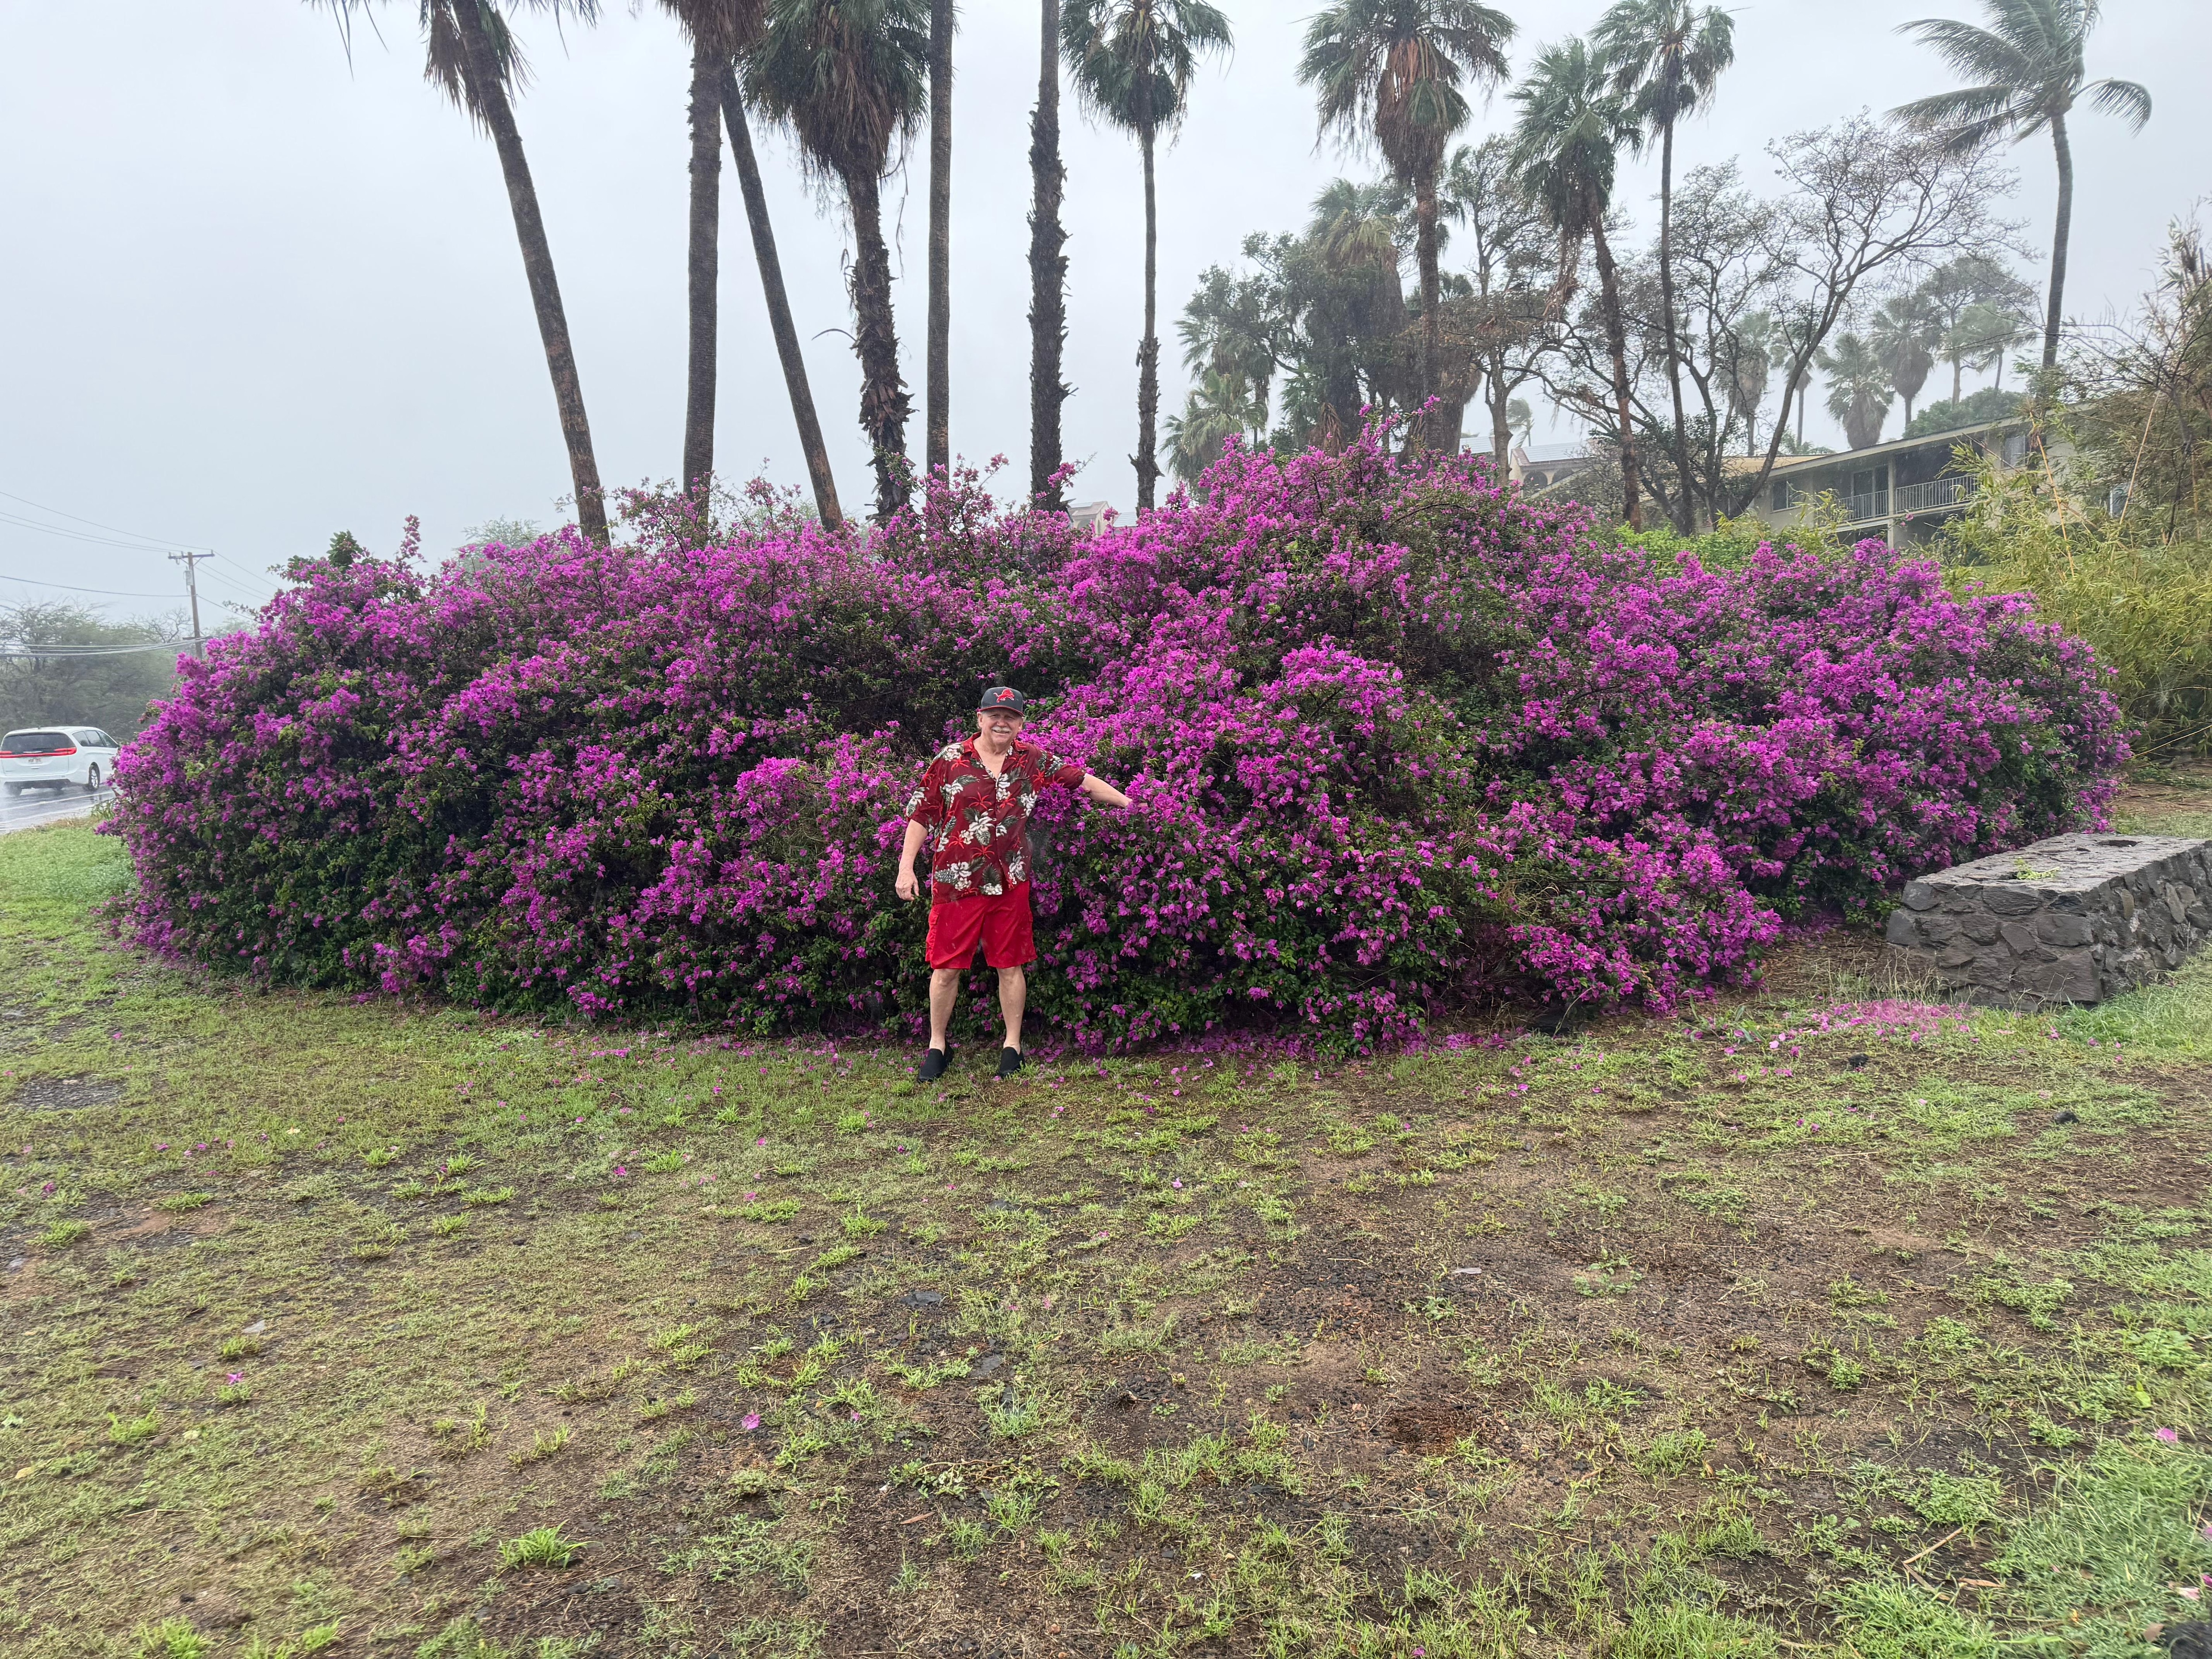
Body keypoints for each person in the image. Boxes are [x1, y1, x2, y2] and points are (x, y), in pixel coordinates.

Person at [896, 686, 1131, 1079]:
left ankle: (1013, 1046)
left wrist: (1131, 804)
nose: (1002, 722)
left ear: (1020, 723)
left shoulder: (1032, 759)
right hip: (956, 882)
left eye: (1010, 716)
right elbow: (922, 813)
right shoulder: (950, 760)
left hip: (1010, 881)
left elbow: (1081, 780)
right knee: (946, 969)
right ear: (980, 718)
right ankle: (938, 1046)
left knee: (1011, 965)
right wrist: (906, 868)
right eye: (995, 715)